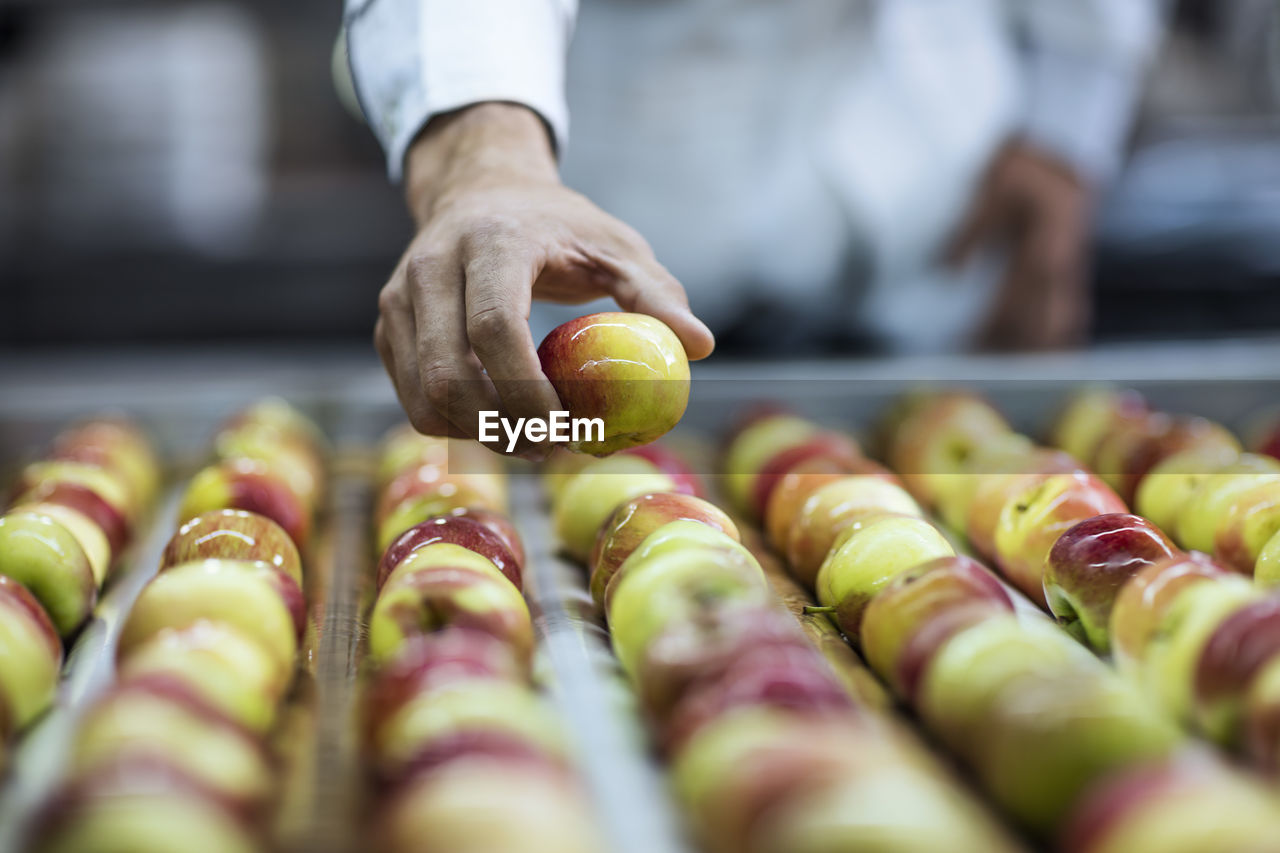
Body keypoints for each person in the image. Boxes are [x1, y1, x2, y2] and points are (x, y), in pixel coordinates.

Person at [343, 0, 1163, 444]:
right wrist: (486, 155)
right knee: (556, 466)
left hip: (930, 211)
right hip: (597, 231)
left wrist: (1068, 116)